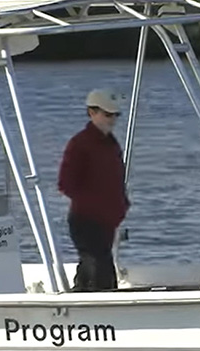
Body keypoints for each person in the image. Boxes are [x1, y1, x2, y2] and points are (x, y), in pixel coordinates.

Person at [58, 89, 130, 292]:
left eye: (115, 115)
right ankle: (98, 306)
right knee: (100, 269)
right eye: (108, 114)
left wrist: (122, 204)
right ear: (92, 112)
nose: (113, 119)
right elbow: (65, 183)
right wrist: (96, 204)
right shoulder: (80, 144)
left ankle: (79, 298)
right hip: (86, 219)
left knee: (94, 266)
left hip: (107, 220)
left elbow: (116, 179)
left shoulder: (111, 144)